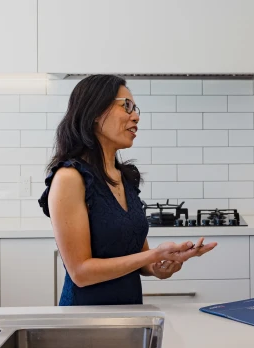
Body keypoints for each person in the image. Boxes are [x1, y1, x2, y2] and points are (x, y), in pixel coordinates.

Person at [38, 74, 217, 306]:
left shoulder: (125, 178)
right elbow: (81, 273)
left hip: (130, 314)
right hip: (83, 319)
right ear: (94, 112)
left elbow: (138, 257)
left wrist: (159, 266)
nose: (136, 116)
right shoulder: (69, 178)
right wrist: (155, 254)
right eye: (127, 106)